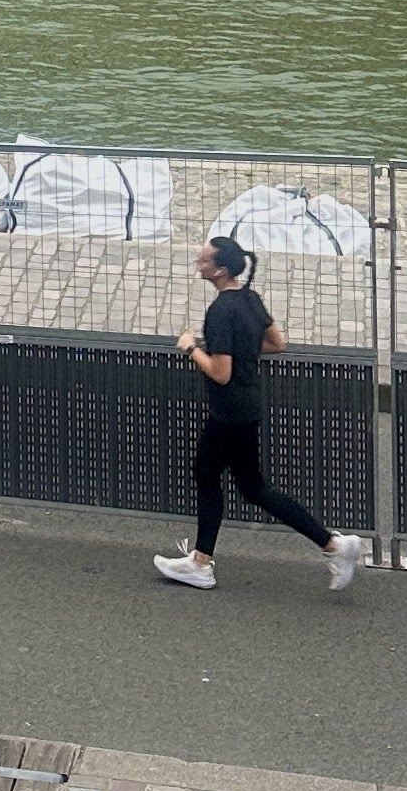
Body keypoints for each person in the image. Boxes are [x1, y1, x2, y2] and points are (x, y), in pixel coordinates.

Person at [154, 235, 366, 596]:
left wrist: (191, 348)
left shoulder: (220, 311)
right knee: (252, 488)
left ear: (219, 270)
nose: (197, 263)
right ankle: (333, 545)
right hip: (247, 406)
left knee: (209, 476)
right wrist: (239, 352)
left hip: (228, 411)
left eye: (203, 260)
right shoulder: (249, 299)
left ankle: (202, 564)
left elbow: (220, 373)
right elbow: (276, 343)